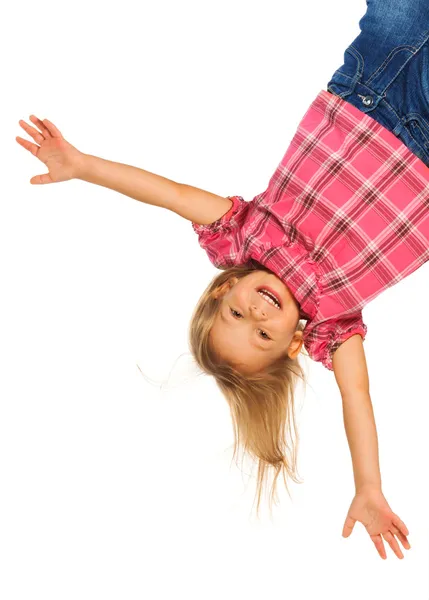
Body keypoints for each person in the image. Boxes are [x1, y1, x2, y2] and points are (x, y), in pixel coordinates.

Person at [16, 0, 426, 561]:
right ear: (294, 343)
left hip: (369, 84)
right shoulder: (333, 321)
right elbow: (356, 395)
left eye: (237, 315)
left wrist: (85, 166)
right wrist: (369, 487)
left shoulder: (244, 238)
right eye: (264, 336)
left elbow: (169, 194)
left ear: (222, 289)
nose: (258, 315)